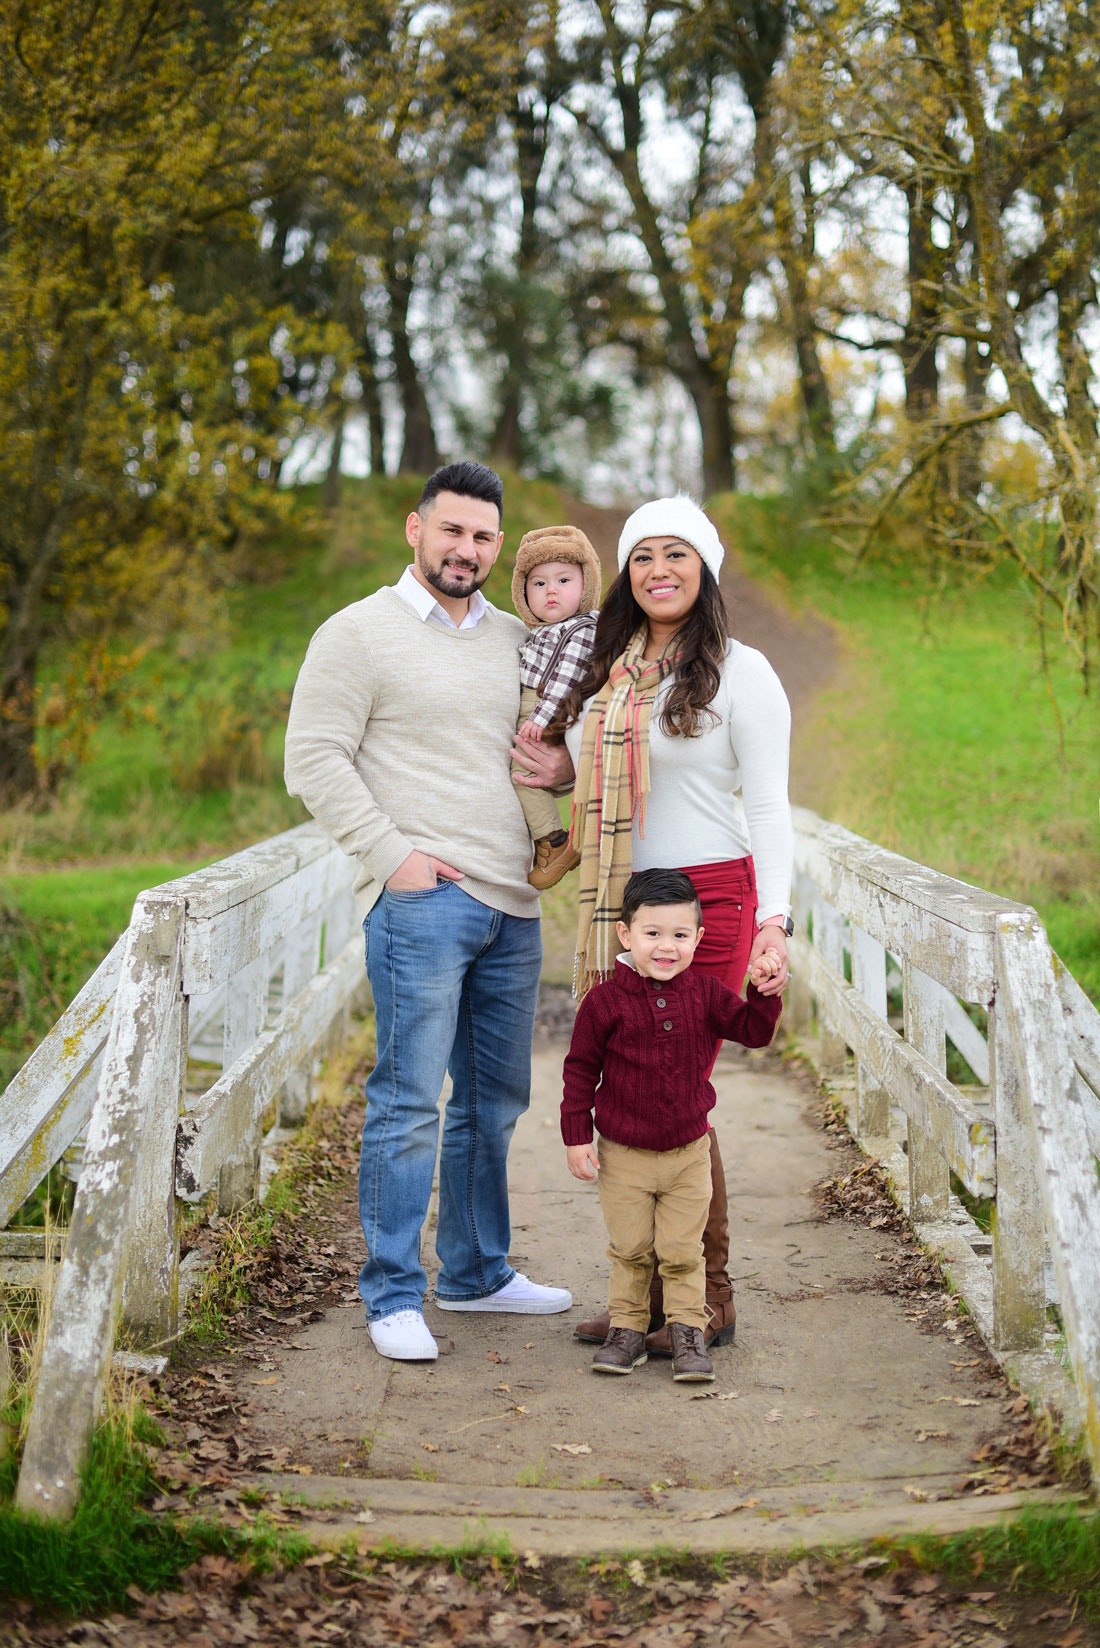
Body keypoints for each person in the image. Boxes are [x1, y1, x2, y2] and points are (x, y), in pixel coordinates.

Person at [284, 460, 571, 1364]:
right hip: (423, 904)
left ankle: (476, 1274)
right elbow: (314, 760)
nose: (467, 549)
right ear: (416, 528)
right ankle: (391, 1294)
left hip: (514, 906)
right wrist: (393, 860)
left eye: (485, 537)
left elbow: (546, 742)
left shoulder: (518, 639)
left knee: (492, 1103)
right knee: (409, 1100)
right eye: (452, 531)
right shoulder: (356, 634)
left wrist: (563, 774)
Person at [515, 493, 792, 1356]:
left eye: (677, 554)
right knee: (632, 1089)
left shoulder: (743, 672)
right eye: (642, 556)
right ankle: (645, 1302)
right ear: (625, 575)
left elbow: (773, 805)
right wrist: (557, 766)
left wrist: (773, 924)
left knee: (674, 1095)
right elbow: (593, 770)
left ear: (703, 569)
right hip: (626, 905)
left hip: (709, 904)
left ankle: (704, 1300)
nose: (658, 571)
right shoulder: (609, 668)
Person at [562, 869, 783, 1383]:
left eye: (680, 936)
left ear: (698, 939)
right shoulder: (604, 1003)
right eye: (653, 934)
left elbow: (752, 1032)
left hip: (688, 1154)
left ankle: (687, 1330)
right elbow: (579, 1070)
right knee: (631, 1249)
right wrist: (576, 1135)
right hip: (624, 1156)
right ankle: (629, 1330)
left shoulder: (706, 994)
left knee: (683, 1251)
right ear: (626, 935)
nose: (667, 947)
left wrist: (763, 991)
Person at [509, 524, 602, 890]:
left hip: (546, 704)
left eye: (564, 580)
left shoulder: (581, 629)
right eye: (539, 583)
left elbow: (565, 679)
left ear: (586, 585)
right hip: (536, 704)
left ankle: (554, 842)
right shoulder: (537, 631)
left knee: (525, 774)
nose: (551, 591)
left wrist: (541, 717)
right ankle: (548, 842)